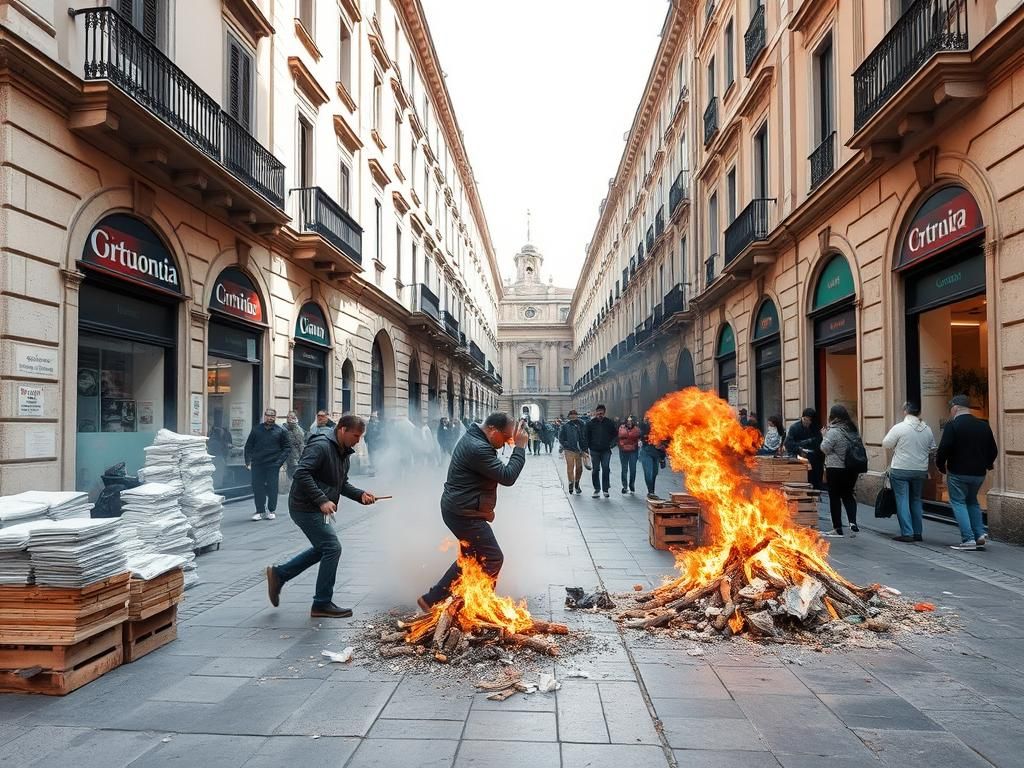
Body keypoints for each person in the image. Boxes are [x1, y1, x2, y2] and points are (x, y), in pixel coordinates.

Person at [265, 414, 378, 617]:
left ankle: (280, 574)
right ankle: (321, 603)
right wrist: (322, 500)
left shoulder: (343, 451)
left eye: (361, 436)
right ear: (342, 430)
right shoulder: (322, 446)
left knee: (323, 548)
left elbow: (340, 484)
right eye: (356, 435)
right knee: (332, 547)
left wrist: (360, 495)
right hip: (304, 506)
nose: (358, 440)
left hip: (314, 506)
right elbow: (301, 473)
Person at [418, 413, 528, 610]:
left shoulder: (477, 439)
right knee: (493, 557)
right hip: (463, 512)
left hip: (460, 508)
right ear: (493, 430)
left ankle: (431, 599)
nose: (505, 444)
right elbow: (507, 476)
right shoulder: (477, 447)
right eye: (505, 437)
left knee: (470, 556)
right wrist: (519, 448)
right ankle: (483, 605)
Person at [936, 394, 999, 551]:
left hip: (958, 472)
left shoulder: (953, 425)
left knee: (958, 502)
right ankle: (979, 534)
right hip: (978, 474)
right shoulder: (983, 425)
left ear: (956, 408)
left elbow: (944, 448)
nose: (950, 411)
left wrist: (940, 465)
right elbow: (993, 450)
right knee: (972, 501)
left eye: (951, 408)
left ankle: (968, 538)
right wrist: (986, 463)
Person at [882, 401, 937, 543]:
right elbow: (932, 448)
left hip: (901, 469)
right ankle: (918, 532)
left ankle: (907, 532)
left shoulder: (899, 428)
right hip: (919, 470)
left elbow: (886, 443)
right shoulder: (927, 429)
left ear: (905, 411)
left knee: (902, 500)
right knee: (916, 500)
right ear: (919, 413)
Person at [819, 404, 861, 538]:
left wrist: (824, 436)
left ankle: (837, 528)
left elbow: (824, 448)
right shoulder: (852, 430)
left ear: (833, 417)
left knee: (835, 498)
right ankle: (852, 522)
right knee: (848, 495)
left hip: (835, 469)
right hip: (851, 469)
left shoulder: (833, 431)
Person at [243, 408, 290, 521]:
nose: (270, 417)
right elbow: (248, 446)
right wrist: (248, 461)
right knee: (257, 487)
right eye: (268, 415)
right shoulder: (256, 430)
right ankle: (260, 511)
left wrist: (278, 463)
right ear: (265, 416)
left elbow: (287, 448)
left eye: (272, 416)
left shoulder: (280, 431)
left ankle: (271, 510)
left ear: (275, 417)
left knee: (272, 487)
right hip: (257, 463)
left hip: (273, 464)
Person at [785, 408, 824, 489]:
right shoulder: (794, 428)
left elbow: (820, 442)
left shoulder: (816, 428)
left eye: (809, 420)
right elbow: (788, 444)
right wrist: (804, 444)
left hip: (815, 459)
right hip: (800, 457)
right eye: (805, 419)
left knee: (816, 481)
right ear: (802, 418)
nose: (807, 422)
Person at [585, 404, 618, 498]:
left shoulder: (609, 423)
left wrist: (612, 444)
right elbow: (586, 436)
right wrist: (587, 448)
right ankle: (597, 489)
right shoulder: (590, 423)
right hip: (594, 450)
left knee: (606, 468)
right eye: (598, 413)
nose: (600, 415)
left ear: (604, 413)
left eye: (602, 413)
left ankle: (605, 489)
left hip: (606, 450)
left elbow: (615, 434)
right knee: (595, 470)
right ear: (596, 413)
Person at [559, 409, 587, 494]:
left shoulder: (582, 424)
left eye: (575, 414)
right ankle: (571, 483)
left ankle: (577, 483)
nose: (573, 416)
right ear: (569, 416)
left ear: (577, 415)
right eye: (571, 415)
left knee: (579, 468)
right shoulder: (565, 426)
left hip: (579, 450)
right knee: (570, 467)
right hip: (569, 450)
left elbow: (585, 436)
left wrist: (585, 448)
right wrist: (566, 445)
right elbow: (561, 438)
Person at [639, 416, 667, 499]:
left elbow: (663, 446)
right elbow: (641, 436)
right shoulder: (645, 428)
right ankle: (650, 492)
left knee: (654, 473)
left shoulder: (662, 430)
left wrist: (662, 459)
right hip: (646, 452)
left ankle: (652, 491)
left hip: (656, 454)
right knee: (649, 472)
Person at [617, 416, 641, 494]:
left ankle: (632, 485)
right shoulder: (621, 428)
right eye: (628, 421)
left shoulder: (637, 429)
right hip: (623, 451)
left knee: (633, 469)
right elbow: (618, 437)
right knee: (624, 469)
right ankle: (624, 486)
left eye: (631, 421)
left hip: (633, 451)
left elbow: (639, 438)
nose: (629, 422)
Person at [282, 411, 306, 479]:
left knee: (296, 477)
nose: (290, 419)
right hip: (289, 458)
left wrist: (295, 425)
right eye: (289, 417)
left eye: (293, 417)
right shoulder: (283, 429)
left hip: (298, 457)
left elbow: (301, 440)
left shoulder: (298, 428)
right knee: (290, 476)